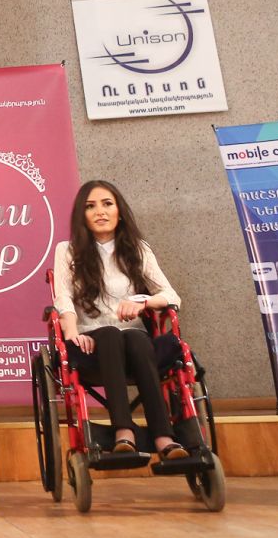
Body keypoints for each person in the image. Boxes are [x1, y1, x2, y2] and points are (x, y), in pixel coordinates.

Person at [51, 180, 187, 462]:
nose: (100, 211)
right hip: (92, 339)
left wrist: (143, 302)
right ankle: (123, 431)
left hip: (134, 341)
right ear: (82, 215)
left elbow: (171, 295)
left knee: (136, 337)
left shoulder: (137, 249)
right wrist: (72, 334)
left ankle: (163, 436)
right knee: (111, 334)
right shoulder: (67, 250)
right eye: (90, 206)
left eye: (107, 204)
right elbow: (63, 298)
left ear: (119, 211)